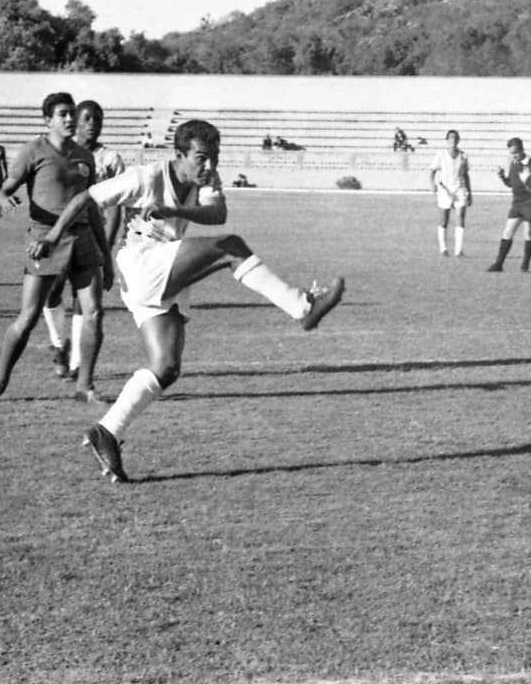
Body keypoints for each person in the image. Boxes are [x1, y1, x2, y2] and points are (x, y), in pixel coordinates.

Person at [38, 119, 345, 483]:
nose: (209, 166)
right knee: (231, 248)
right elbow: (85, 198)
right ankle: (303, 307)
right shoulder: (145, 176)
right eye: (200, 158)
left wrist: (176, 211)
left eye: (213, 158)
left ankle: (107, 432)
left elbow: (218, 213)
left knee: (166, 368)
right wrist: (54, 236)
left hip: (161, 268)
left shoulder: (205, 179)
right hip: (142, 265)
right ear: (179, 154)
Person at [0, 93, 113, 404]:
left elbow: (92, 207)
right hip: (45, 244)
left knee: (93, 312)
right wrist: (4, 201)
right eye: (63, 114)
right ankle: (0, 380)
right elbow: (5, 189)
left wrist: (106, 257)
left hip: (83, 241)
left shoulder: (85, 156)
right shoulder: (33, 151)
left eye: (71, 114)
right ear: (47, 120)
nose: (70, 119)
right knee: (27, 317)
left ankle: (85, 386)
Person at [42, 100, 129, 385]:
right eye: (88, 118)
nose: (93, 123)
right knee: (51, 291)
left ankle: (78, 363)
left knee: (86, 301)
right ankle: (58, 344)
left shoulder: (110, 159)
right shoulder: (59, 153)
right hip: (59, 233)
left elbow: (117, 204)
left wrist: (109, 241)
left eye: (98, 118)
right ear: (74, 121)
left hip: (91, 234)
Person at [486, 137, 531, 272]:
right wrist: (502, 176)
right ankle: (499, 264)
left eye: (515, 152)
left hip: (530, 202)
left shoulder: (530, 163)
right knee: (508, 232)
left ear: (522, 149)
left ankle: (525, 264)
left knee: (528, 233)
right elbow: (510, 183)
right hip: (517, 202)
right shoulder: (513, 162)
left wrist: (526, 180)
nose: (514, 155)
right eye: (511, 152)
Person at [428, 129, 471, 256]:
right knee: (443, 220)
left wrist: (470, 193)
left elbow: (466, 175)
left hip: (459, 190)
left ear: (459, 140)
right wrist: (432, 184)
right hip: (445, 190)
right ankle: (443, 248)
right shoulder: (441, 155)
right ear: (447, 140)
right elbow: (432, 171)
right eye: (451, 138)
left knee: (460, 218)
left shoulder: (463, 156)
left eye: (455, 138)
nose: (453, 140)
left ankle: (458, 250)